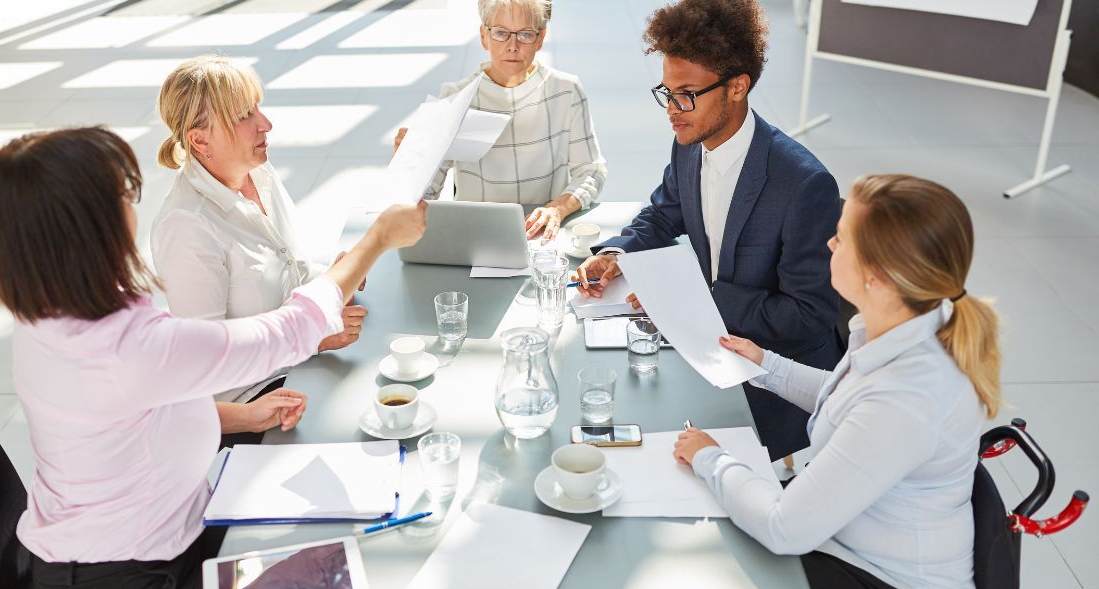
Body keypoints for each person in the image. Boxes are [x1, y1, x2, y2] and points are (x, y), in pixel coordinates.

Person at [0, 126, 426, 589]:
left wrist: (242, 416)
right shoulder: (125, 346)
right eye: (122, 195)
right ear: (89, 226)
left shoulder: (49, 316)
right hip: (129, 576)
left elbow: (130, 413)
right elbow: (288, 332)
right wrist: (375, 240)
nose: (132, 207)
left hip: (158, 538)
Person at [674, 174, 1001, 589]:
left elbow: (783, 528)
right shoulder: (906, 326)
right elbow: (849, 399)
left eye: (841, 238)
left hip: (879, 577)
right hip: (847, 535)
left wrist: (710, 458)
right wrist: (766, 366)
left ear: (876, 276)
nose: (829, 243)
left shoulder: (906, 400)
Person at [574, 0, 841, 461]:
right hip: (707, 351)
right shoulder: (690, 141)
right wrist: (618, 254)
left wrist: (694, 300)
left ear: (737, 87)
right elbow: (663, 213)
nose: (672, 111)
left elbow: (809, 316)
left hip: (774, 387)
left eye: (687, 94)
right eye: (667, 92)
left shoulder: (803, 185)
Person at [151, 56, 368, 437]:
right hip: (252, 407)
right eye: (243, 116)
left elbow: (287, 272)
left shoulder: (257, 173)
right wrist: (310, 340)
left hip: (295, 368)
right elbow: (209, 364)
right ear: (200, 140)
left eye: (257, 108)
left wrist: (330, 276)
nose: (265, 124)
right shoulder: (187, 228)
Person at [393, 0, 607, 240]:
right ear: (484, 36)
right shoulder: (454, 98)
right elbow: (423, 195)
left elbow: (592, 171)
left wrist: (558, 208)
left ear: (541, 37)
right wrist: (410, 162)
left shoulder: (567, 91)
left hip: (540, 237)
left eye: (525, 34)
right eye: (501, 33)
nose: (512, 46)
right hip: (472, 237)